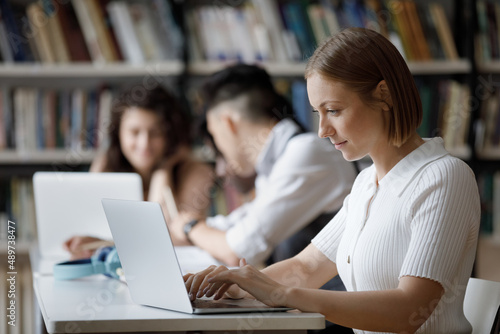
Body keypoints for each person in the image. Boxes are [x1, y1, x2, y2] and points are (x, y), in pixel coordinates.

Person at [184, 28, 480, 334]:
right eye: (318, 113)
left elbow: (409, 311)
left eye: (334, 111)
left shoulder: (444, 177)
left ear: (384, 94)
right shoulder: (367, 183)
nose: (322, 130)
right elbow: (306, 267)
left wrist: (283, 295)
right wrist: (231, 284)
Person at [170, 64, 357, 268]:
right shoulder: (275, 162)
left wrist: (190, 227)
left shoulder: (307, 153)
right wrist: (188, 226)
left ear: (228, 123)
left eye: (214, 135)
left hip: (335, 296)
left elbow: (238, 250)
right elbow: (242, 223)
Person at [64, 85, 214, 259]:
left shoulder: (197, 171)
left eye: (155, 133)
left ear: (170, 135)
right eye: (134, 132)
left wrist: (162, 170)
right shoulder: (106, 165)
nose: (144, 144)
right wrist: (96, 243)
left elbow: (171, 239)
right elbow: (91, 224)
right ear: (118, 133)